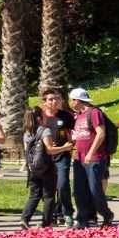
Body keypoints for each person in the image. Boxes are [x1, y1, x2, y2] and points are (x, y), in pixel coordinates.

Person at [67, 88, 115, 228]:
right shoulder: (79, 115)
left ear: (77, 100)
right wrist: (74, 139)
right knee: (79, 190)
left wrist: (90, 153)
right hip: (79, 159)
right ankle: (82, 218)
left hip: (94, 158)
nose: (70, 103)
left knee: (95, 189)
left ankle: (106, 214)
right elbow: (84, 134)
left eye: (71, 100)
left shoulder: (94, 112)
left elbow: (101, 133)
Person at [20, 105, 68, 229]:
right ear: (39, 118)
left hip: (33, 169)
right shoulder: (44, 131)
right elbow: (50, 150)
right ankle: (46, 223)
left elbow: (27, 151)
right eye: (43, 114)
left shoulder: (27, 133)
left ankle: (24, 219)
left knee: (34, 194)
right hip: (46, 167)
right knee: (49, 196)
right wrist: (65, 148)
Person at [39, 89, 76, 226]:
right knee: (48, 187)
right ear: (44, 102)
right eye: (50, 99)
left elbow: (77, 130)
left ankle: (67, 213)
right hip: (45, 157)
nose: (54, 101)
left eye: (56, 99)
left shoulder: (66, 116)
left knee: (62, 184)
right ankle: (52, 214)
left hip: (63, 155)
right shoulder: (40, 117)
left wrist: (72, 141)